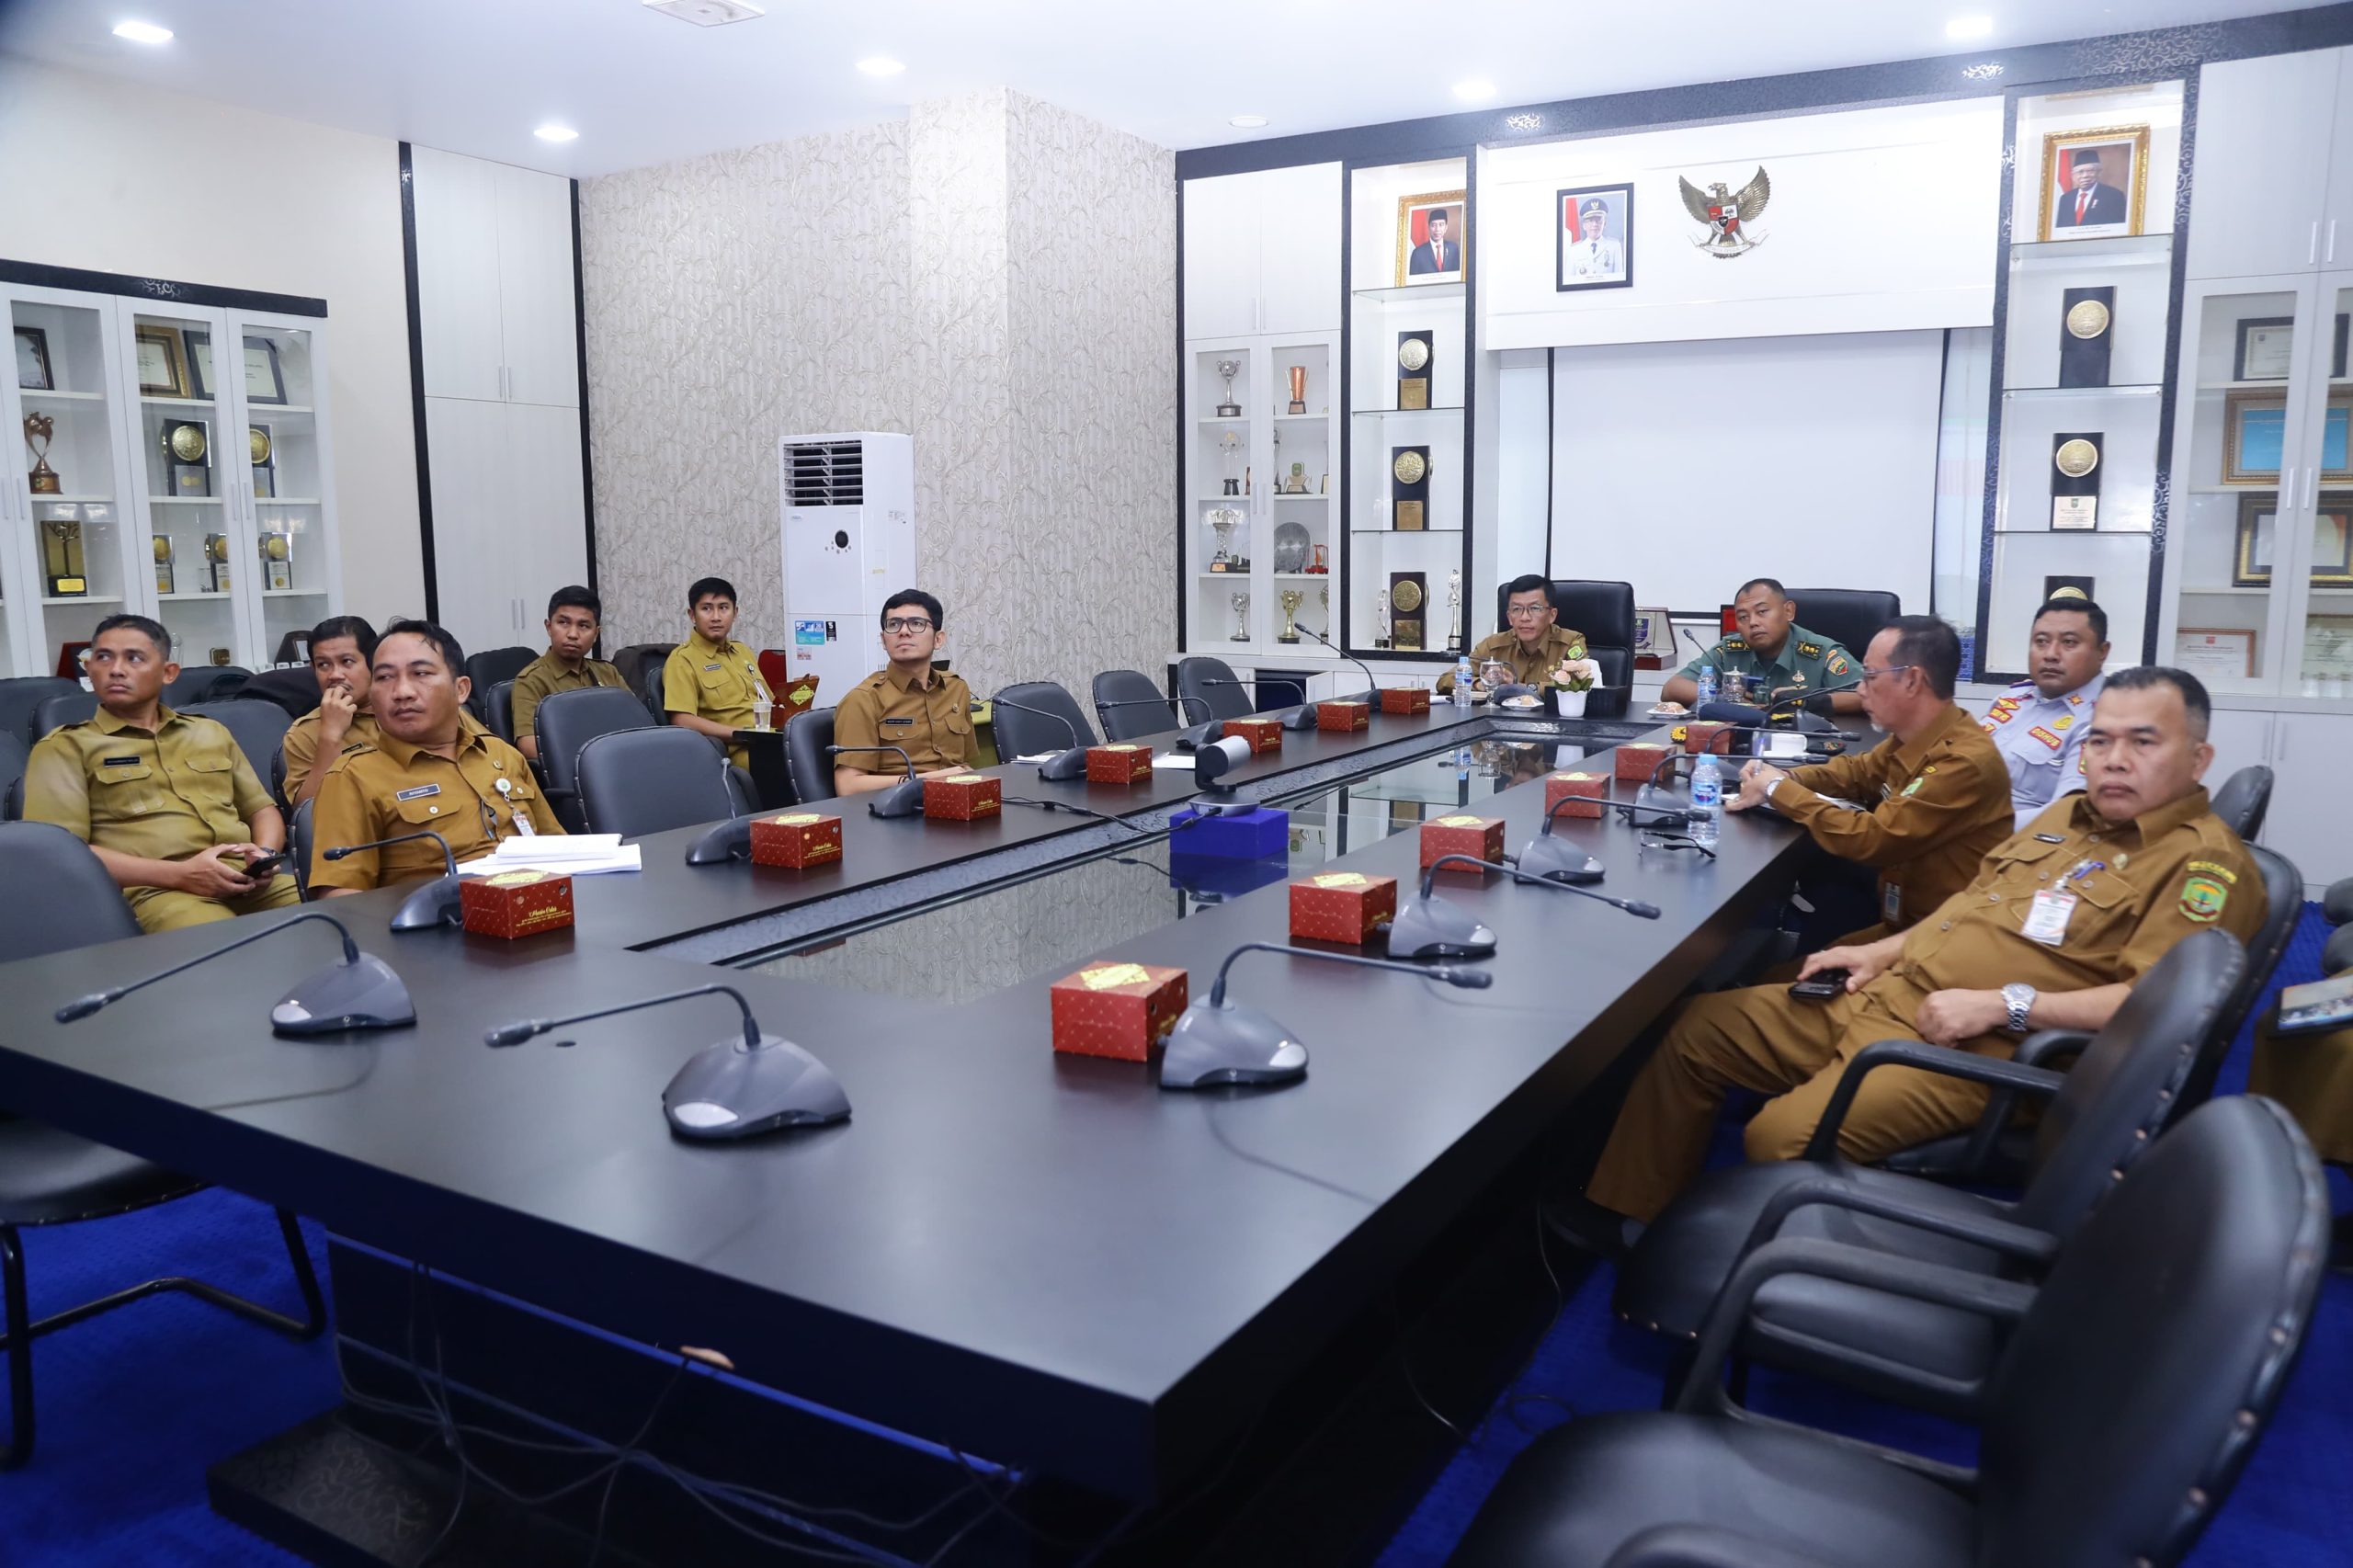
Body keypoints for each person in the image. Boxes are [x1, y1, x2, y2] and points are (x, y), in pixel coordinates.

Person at [1560, 667, 2263, 1245]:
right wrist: (1883, 951)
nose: (2114, 759)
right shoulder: (2067, 816)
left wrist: (2004, 1005)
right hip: (1892, 990)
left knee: (1777, 1137)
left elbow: (2159, 1007)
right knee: (1698, 1029)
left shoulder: (2205, 867)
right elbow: (1972, 905)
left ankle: (1773, 1287)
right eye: (2101, 740)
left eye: (2143, 742)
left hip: (1979, 1046)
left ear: (2199, 759)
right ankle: (1637, 1219)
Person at [1727, 616, 2013, 940]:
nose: (1861, 691)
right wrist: (1787, 775)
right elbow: (1858, 772)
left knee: (1774, 968)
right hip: (1902, 919)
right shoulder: (1918, 735)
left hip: (1941, 939)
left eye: (1870, 677)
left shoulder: (1963, 762)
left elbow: (1874, 839)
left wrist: (1777, 788)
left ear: (1912, 681)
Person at [24, 614, 299, 931]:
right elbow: (61, 855)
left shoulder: (209, 732)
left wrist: (264, 856)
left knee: (333, 911)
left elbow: (262, 810)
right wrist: (181, 875)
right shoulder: (66, 747)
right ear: (89, 668)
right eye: (103, 657)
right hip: (156, 890)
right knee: (225, 942)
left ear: (169, 672)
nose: (116, 669)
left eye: (134, 658)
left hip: (242, 878)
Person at [309, 621, 563, 893]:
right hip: (440, 915)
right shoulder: (352, 778)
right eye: (384, 677)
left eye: (420, 673)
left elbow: (558, 849)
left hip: (538, 905)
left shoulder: (500, 754)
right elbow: (339, 897)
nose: (402, 692)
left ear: (461, 690)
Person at [832, 589, 976, 797]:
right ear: (884, 640)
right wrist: (931, 780)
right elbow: (848, 786)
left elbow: (966, 764)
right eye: (894, 624)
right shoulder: (863, 699)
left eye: (917, 623)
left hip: (956, 801)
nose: (904, 632)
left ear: (938, 639)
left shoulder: (956, 689)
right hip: (898, 806)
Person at [1984, 594, 2109, 829]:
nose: (2051, 654)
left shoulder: (2105, 720)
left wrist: (1976, 828)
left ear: (2102, 652)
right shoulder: (2011, 699)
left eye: (2069, 643)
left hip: (2016, 844)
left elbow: (2069, 812)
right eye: (2041, 641)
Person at [1662, 578, 1864, 715]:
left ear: (1788, 611)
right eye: (1743, 617)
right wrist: (1728, 698)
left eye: (1762, 612)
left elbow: (1870, 695)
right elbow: (1672, 688)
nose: (1752, 622)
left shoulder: (1820, 652)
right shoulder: (1731, 650)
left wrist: (1807, 701)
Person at [662, 576, 772, 771]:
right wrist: (741, 734)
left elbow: (768, 702)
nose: (716, 617)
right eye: (706, 609)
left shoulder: (743, 652)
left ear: (735, 613)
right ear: (692, 615)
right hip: (738, 751)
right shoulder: (682, 660)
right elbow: (682, 720)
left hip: (771, 739)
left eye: (723, 608)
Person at [511, 585, 628, 764]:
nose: (573, 634)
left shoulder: (607, 672)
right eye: (563, 623)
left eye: (583, 625)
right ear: (549, 627)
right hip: (572, 773)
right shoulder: (531, 680)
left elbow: (637, 724)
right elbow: (530, 748)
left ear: (596, 633)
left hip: (618, 763)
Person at [279, 614, 381, 807]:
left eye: (347, 661)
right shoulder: (305, 732)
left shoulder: (406, 710)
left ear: (374, 661)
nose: (335, 675)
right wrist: (330, 736)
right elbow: (306, 811)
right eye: (323, 665)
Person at [1436, 574, 1588, 694]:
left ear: (1552, 615)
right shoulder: (1492, 646)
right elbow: (1445, 681)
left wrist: (1520, 688)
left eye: (1535, 608)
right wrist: (1481, 684)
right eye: (1516, 609)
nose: (1525, 617)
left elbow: (1583, 684)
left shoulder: (1571, 642)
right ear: (1509, 617)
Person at [2054, 150, 2127, 229]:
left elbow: (2118, 227)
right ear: (2073, 176)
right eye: (2080, 172)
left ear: (2099, 173)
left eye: (2090, 171)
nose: (2085, 176)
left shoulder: (2114, 196)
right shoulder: (2065, 198)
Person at [1565, 198, 1624, 281]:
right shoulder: (1573, 250)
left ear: (1604, 223)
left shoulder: (1614, 247)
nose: (1595, 224)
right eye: (1590, 220)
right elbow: (1569, 281)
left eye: (1598, 220)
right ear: (1584, 225)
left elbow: (1619, 280)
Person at [1408, 208, 1461, 276]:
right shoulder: (1417, 253)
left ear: (1446, 227)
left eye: (1441, 225)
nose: (1437, 229)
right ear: (1428, 227)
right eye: (1433, 225)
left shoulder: (1453, 249)